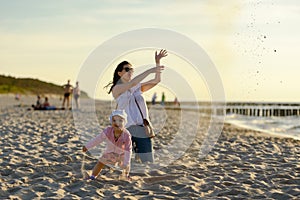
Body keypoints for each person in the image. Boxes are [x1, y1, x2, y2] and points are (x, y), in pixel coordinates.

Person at [105, 49, 167, 163]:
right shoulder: (117, 89)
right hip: (125, 130)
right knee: (121, 163)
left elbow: (157, 80)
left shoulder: (137, 87)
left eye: (131, 70)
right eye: (127, 69)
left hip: (142, 129)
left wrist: (157, 63)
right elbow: (132, 83)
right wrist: (149, 70)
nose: (130, 72)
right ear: (119, 73)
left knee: (148, 162)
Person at [82, 110, 132, 180]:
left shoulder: (126, 135)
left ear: (124, 123)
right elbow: (97, 140)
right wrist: (87, 146)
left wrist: (126, 163)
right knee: (100, 162)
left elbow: (128, 150)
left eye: (120, 121)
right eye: (114, 121)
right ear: (111, 122)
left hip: (121, 155)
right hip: (109, 153)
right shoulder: (108, 131)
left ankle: (126, 175)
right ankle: (93, 176)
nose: (117, 123)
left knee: (126, 165)